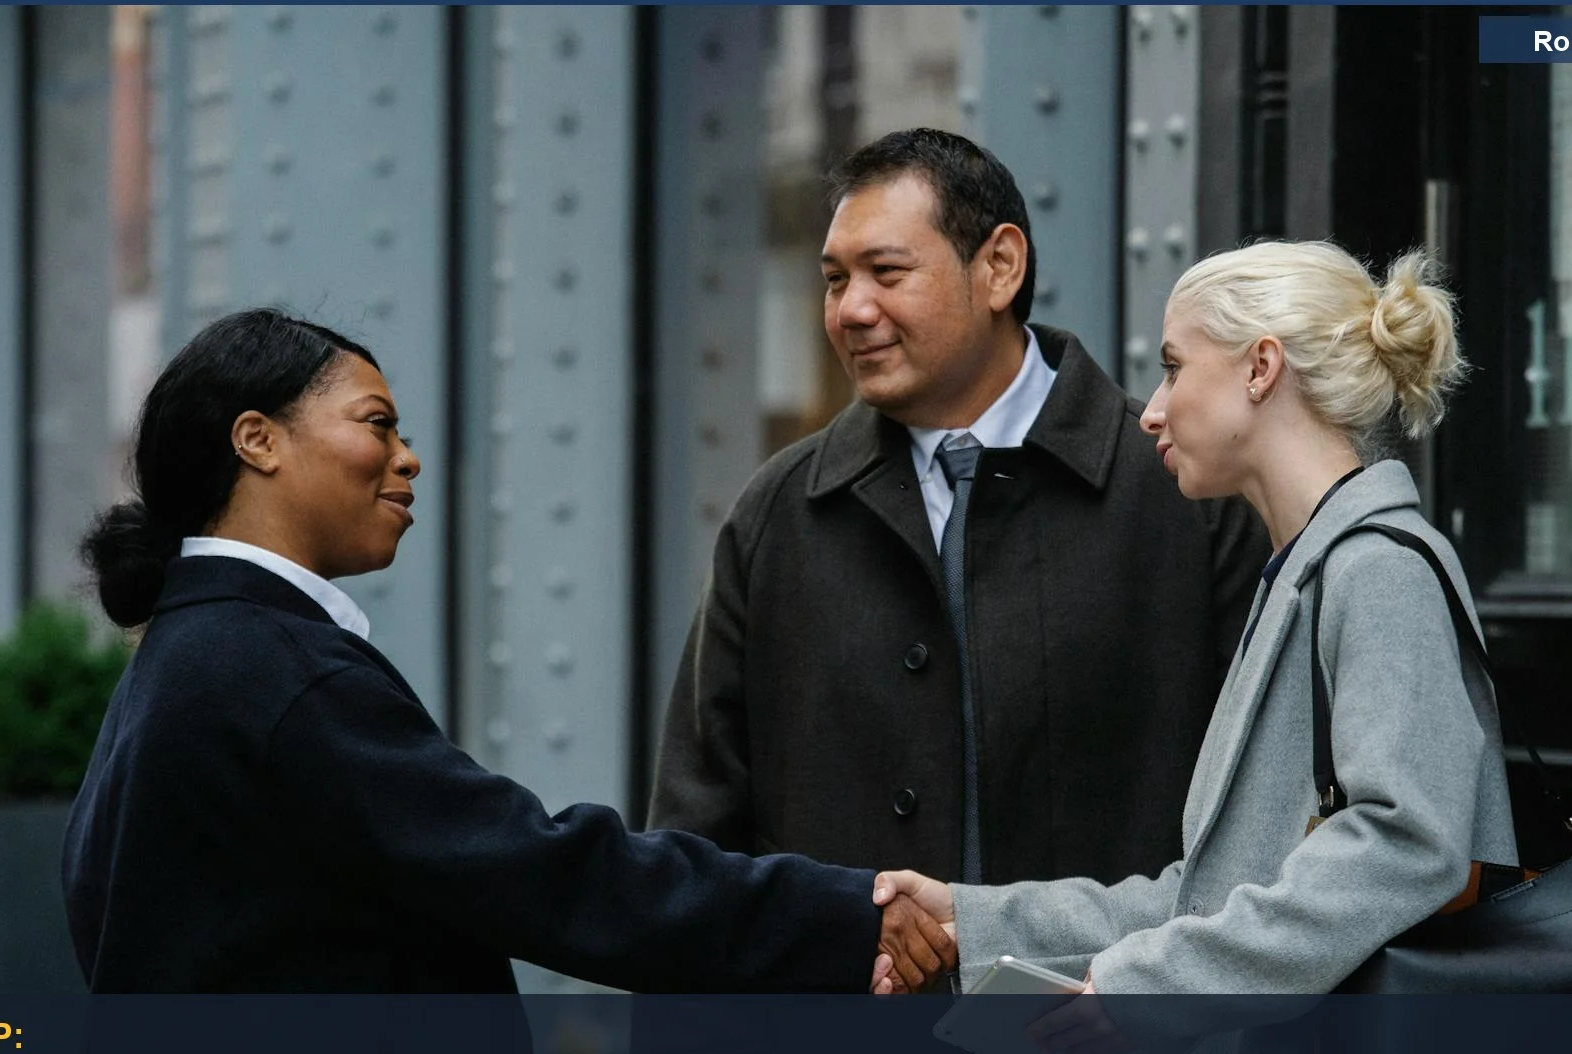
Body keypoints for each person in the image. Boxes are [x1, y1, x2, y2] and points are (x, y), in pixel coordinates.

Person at [637, 128, 1268, 1054]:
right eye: (833, 279)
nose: (848, 310)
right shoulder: (777, 515)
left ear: (998, 267)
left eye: (885, 272)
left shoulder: (1183, 497)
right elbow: (700, 835)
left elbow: (1261, 821)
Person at [874, 240, 1519, 1054]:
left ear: (1262, 368)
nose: (1153, 409)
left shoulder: (1374, 569)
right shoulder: (1302, 575)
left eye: (1175, 367)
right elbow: (1210, 894)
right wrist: (972, 920)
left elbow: (1405, 843)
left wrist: (1142, 992)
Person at [63, 308, 956, 995]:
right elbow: (538, 869)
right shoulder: (270, 671)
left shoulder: (185, 659)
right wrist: (844, 916)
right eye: (377, 423)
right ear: (258, 440)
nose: (408, 459)